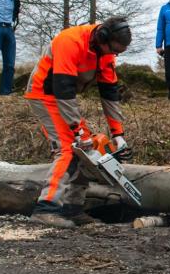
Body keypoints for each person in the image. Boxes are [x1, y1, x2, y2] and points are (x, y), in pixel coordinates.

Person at [24, 17, 133, 228]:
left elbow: (110, 94)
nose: (114, 56)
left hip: (63, 97)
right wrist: (77, 131)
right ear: (102, 38)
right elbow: (62, 89)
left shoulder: (106, 53)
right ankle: (47, 208)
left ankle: (72, 207)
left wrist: (118, 134)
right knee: (67, 148)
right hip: (45, 95)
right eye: (113, 50)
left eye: (118, 52)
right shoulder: (70, 41)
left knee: (88, 149)